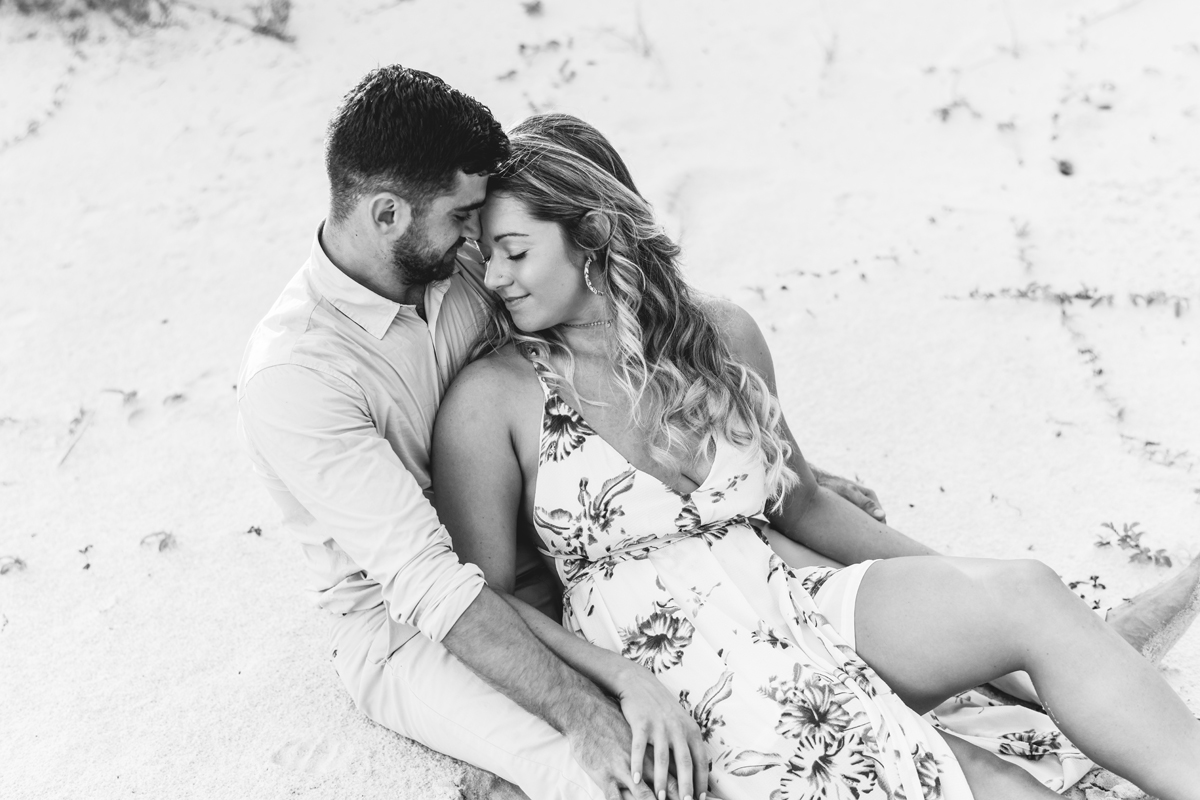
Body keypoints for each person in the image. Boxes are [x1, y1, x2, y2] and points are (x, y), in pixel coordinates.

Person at [431, 112, 1200, 800]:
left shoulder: (719, 337)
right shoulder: (492, 400)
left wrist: (956, 586)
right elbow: (492, 601)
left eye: (514, 252)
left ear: (594, 234)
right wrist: (621, 689)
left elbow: (800, 503)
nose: (494, 279)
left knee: (1026, 593)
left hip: (792, 593)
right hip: (680, 663)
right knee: (981, 785)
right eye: (487, 257)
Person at [237, 65, 908, 800]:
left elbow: (605, 313)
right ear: (388, 214)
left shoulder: (451, 257)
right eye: (463, 217)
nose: (480, 246)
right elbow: (431, 587)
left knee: (807, 681)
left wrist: (745, 461)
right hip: (415, 623)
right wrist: (592, 704)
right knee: (634, 775)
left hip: (568, 544)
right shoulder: (295, 376)